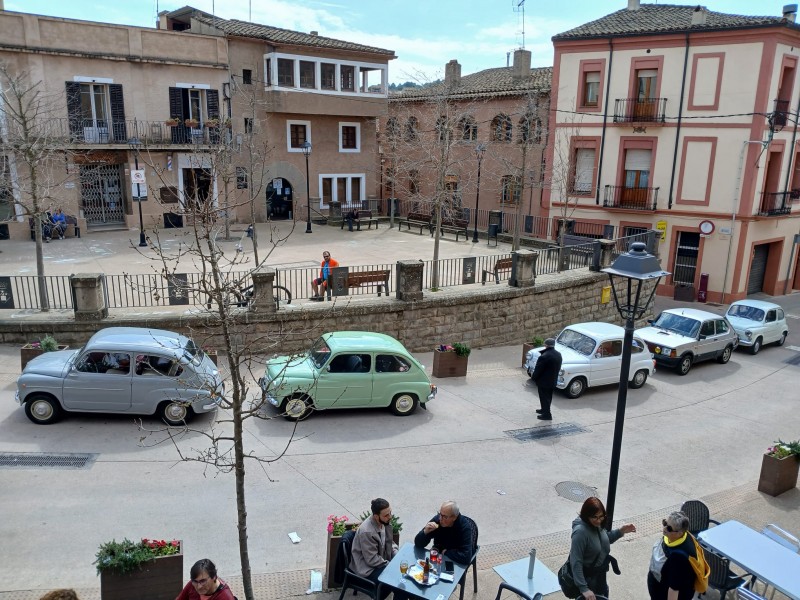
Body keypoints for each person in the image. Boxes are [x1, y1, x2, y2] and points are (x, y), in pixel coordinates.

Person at [567, 497, 635, 600]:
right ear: (586, 515)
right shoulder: (580, 533)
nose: (598, 520)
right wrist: (584, 588)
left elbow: (603, 541)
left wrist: (621, 531)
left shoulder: (596, 525)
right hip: (588, 580)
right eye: (595, 517)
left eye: (601, 516)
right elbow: (576, 561)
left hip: (600, 577)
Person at [350, 498, 408, 599]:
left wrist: (397, 554)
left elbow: (389, 542)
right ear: (376, 516)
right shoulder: (367, 532)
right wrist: (391, 566)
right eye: (386, 515)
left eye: (390, 513)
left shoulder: (383, 522)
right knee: (398, 583)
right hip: (367, 569)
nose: (390, 517)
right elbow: (372, 560)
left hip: (378, 562)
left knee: (403, 580)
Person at [647, 511, 697, 600]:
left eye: (669, 528)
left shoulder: (678, 558)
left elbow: (674, 589)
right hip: (657, 584)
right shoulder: (679, 537)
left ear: (679, 533)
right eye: (665, 523)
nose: (665, 528)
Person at [413, 500, 473, 565]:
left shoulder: (464, 528)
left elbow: (466, 557)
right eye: (440, 514)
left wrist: (447, 552)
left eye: (445, 517)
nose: (440, 519)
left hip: (455, 560)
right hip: (437, 555)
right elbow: (418, 544)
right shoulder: (437, 520)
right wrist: (425, 532)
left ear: (454, 517)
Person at [531, 337, 562, 420]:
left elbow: (538, 369)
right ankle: (544, 410)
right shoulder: (558, 354)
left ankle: (547, 414)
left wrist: (534, 378)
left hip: (544, 382)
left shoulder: (544, 356)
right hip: (552, 380)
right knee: (548, 397)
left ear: (546, 345)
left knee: (544, 398)